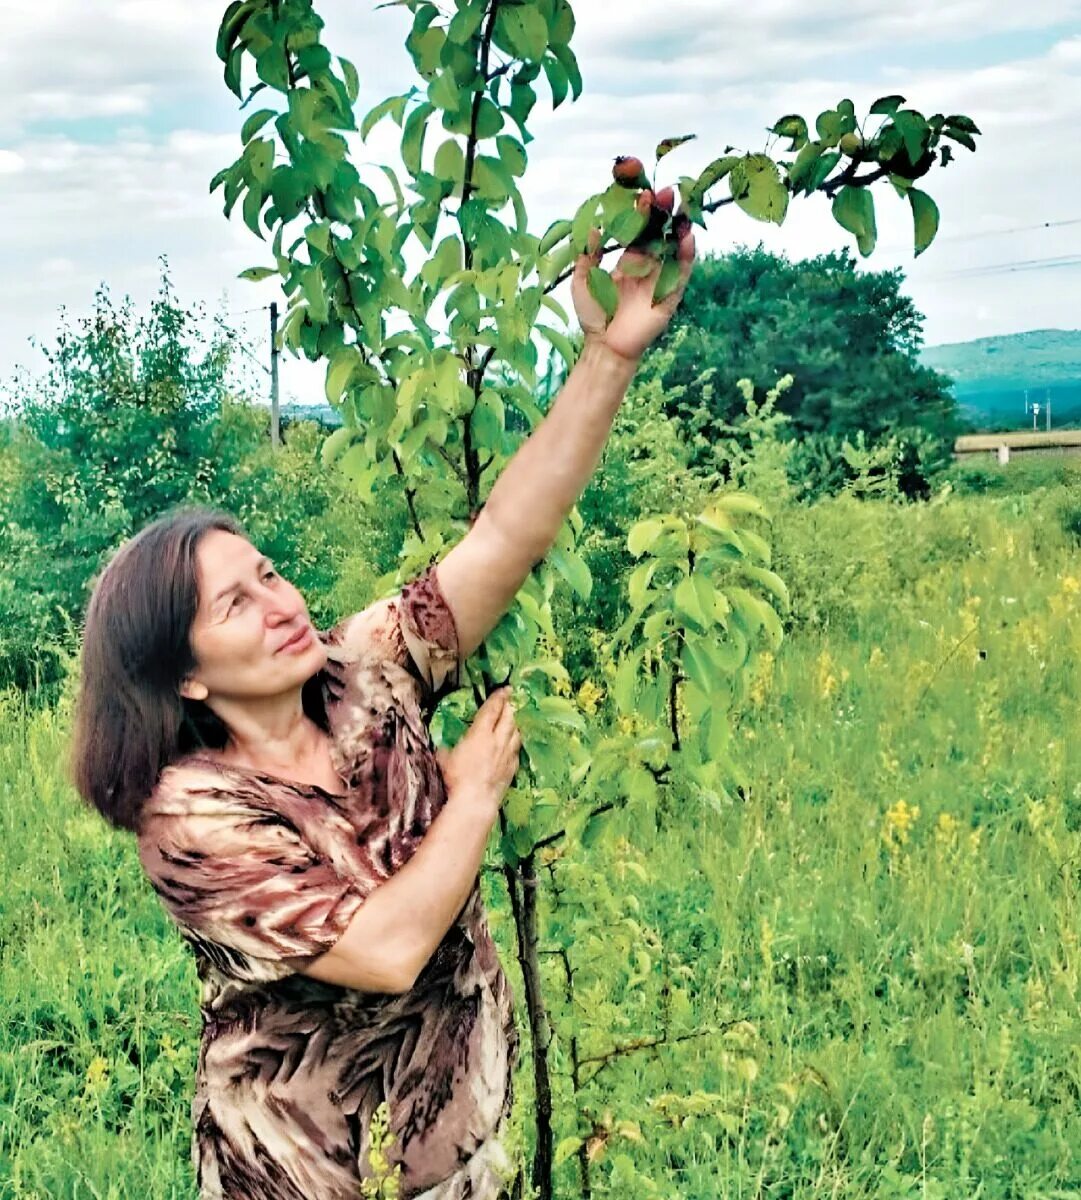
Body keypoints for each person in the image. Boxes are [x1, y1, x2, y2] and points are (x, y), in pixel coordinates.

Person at [69, 220, 695, 1200]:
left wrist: (607, 356)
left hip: (453, 1162)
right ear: (184, 677)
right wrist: (473, 797)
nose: (280, 604)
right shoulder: (192, 816)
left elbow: (505, 537)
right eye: (236, 604)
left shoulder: (366, 667)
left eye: (268, 574)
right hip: (296, 1176)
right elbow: (388, 951)